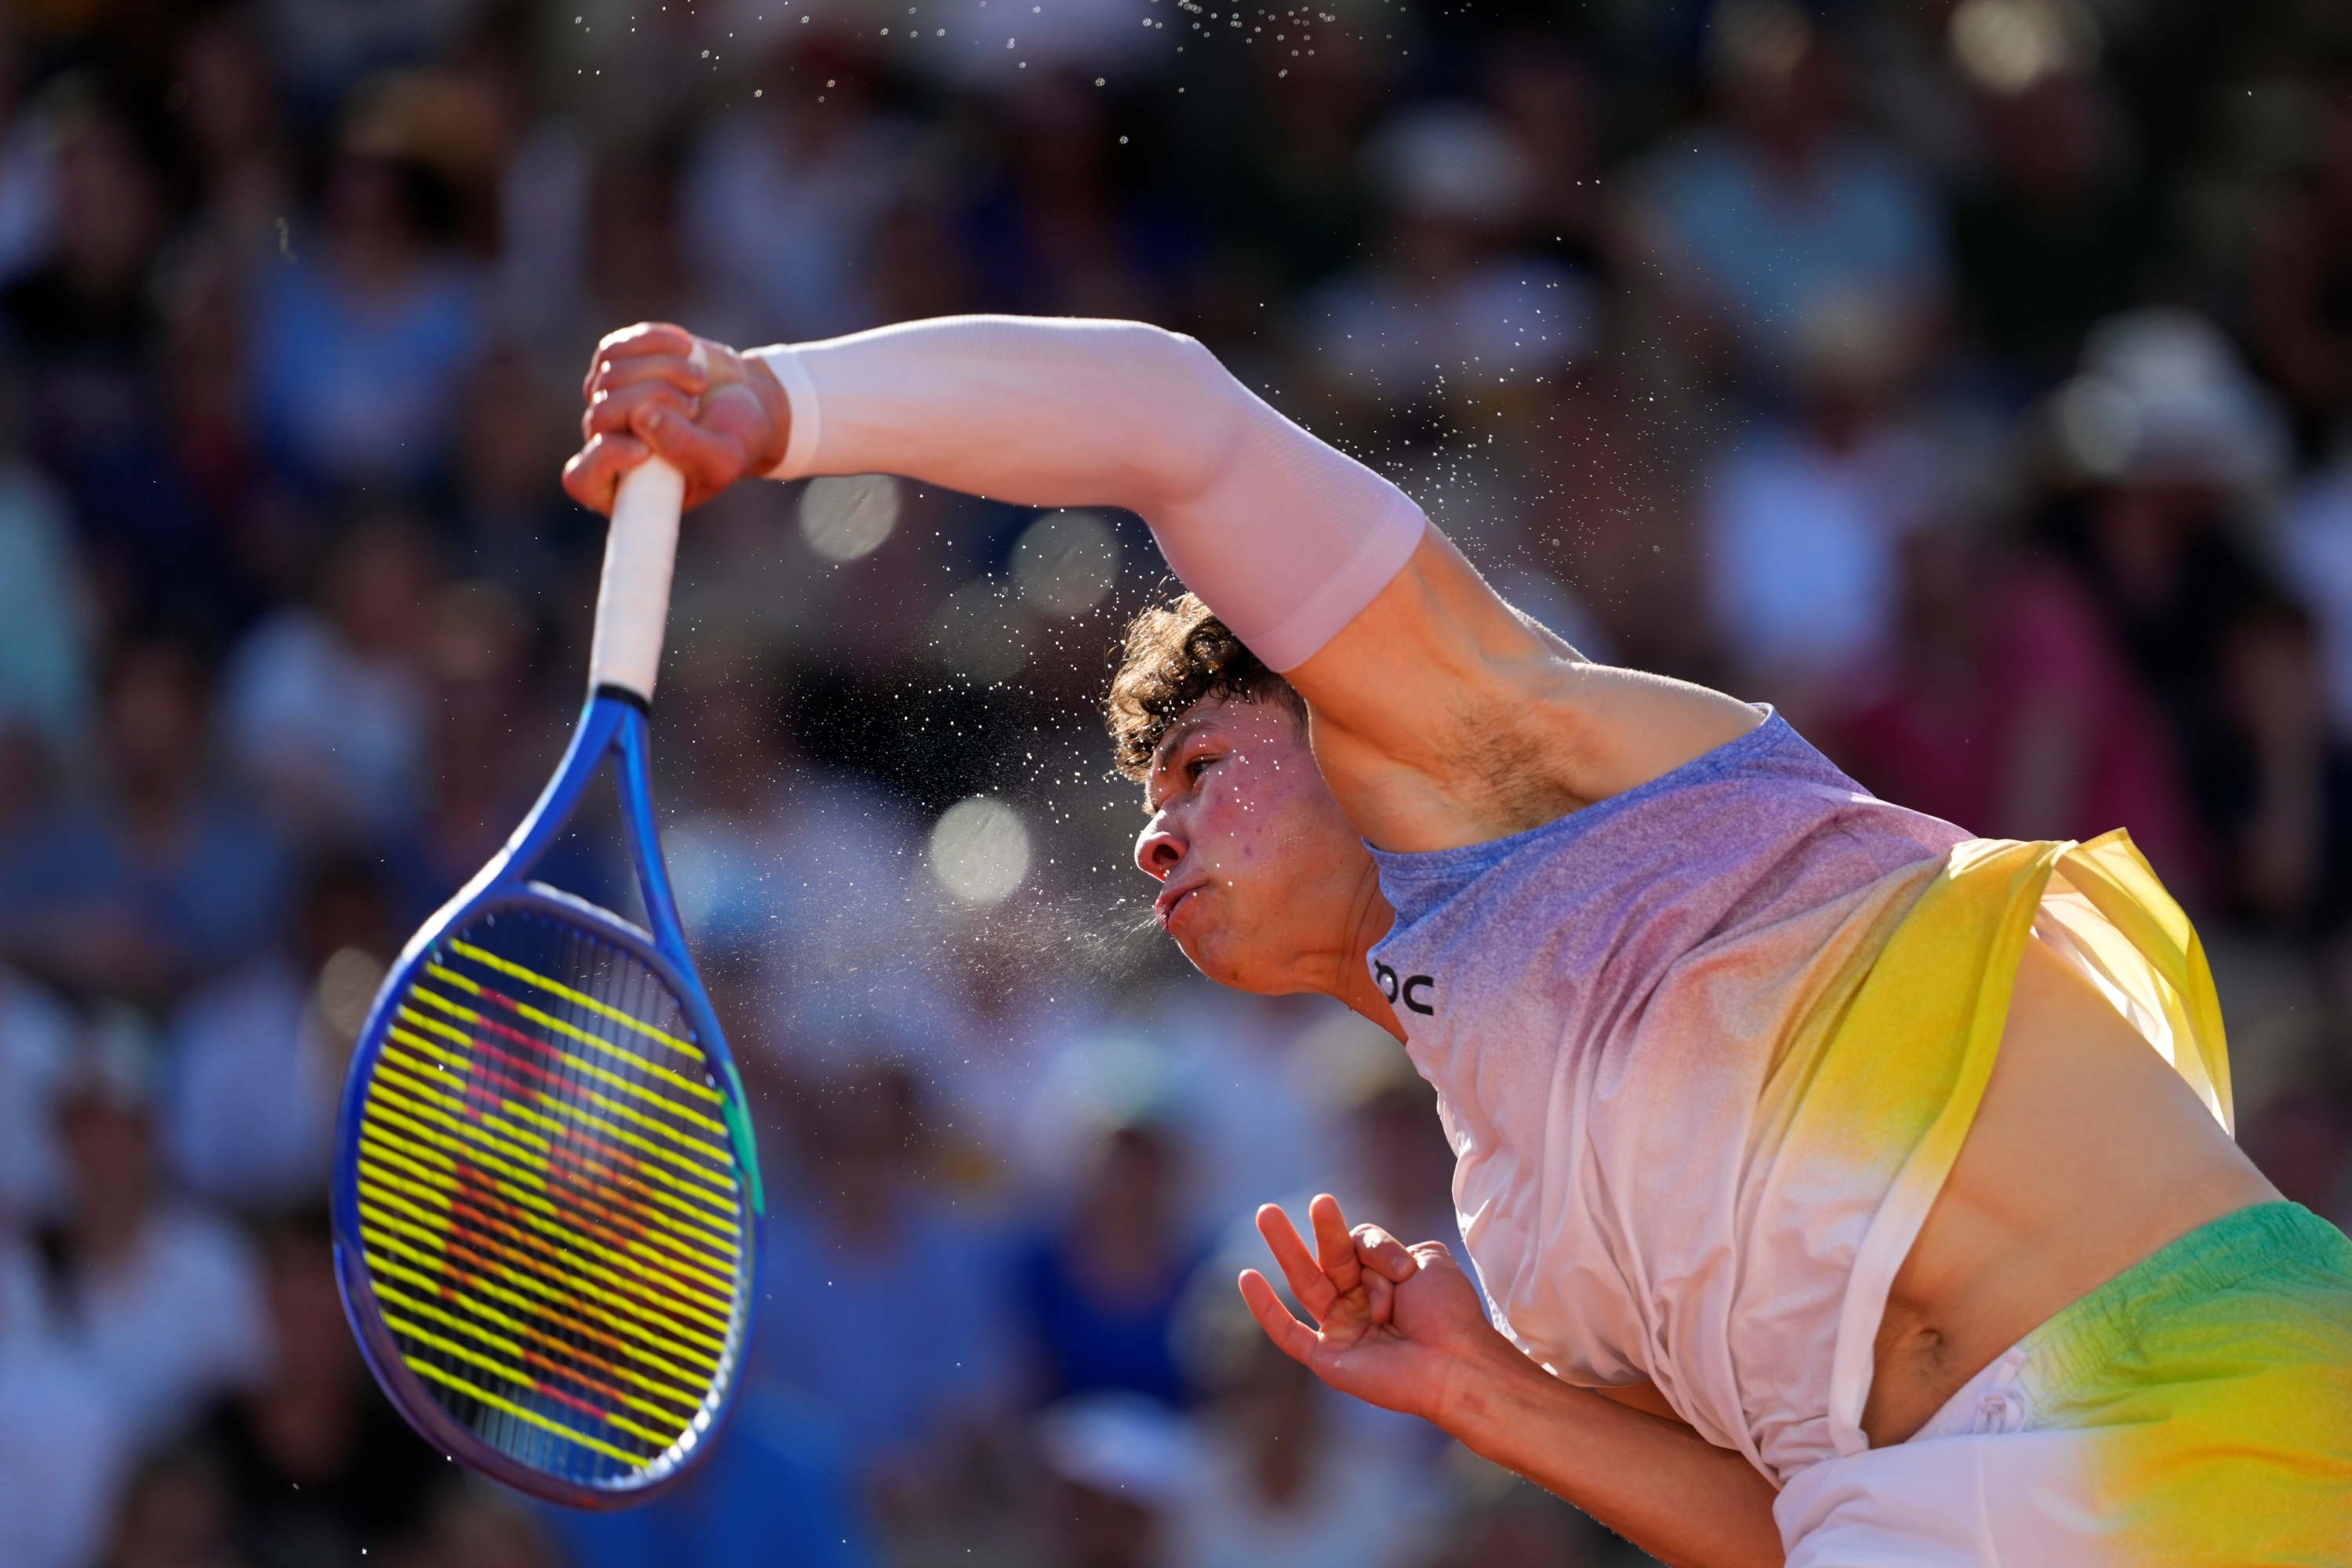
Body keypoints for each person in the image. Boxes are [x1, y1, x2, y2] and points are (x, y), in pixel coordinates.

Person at [561, 314, 2350, 1565]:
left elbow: (1169, 414)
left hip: (2246, 1424)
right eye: (1139, 800)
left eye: (1199, 759)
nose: (1155, 827)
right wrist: (1493, 1397)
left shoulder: (1518, 757)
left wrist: (779, 401)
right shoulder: (1523, 1222)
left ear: (1340, 716)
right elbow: (1792, 1524)